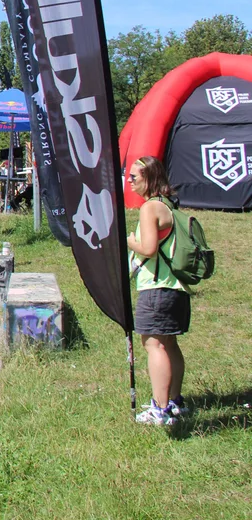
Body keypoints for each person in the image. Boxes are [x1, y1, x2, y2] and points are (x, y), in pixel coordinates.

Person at [127, 156, 189, 426]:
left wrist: (130, 241)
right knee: (169, 343)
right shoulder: (168, 205)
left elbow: (149, 248)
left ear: (149, 178)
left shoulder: (150, 207)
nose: (129, 181)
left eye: (134, 177)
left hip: (157, 288)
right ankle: (174, 402)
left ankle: (160, 409)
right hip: (176, 288)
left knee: (154, 345)